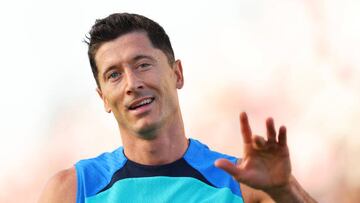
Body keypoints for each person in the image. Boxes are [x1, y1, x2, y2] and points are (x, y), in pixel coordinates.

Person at [39, 13, 317, 203]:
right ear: (103, 99)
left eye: (143, 64)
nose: (132, 84)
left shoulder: (243, 185)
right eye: (114, 74)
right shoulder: (74, 190)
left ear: (177, 74)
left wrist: (285, 189)